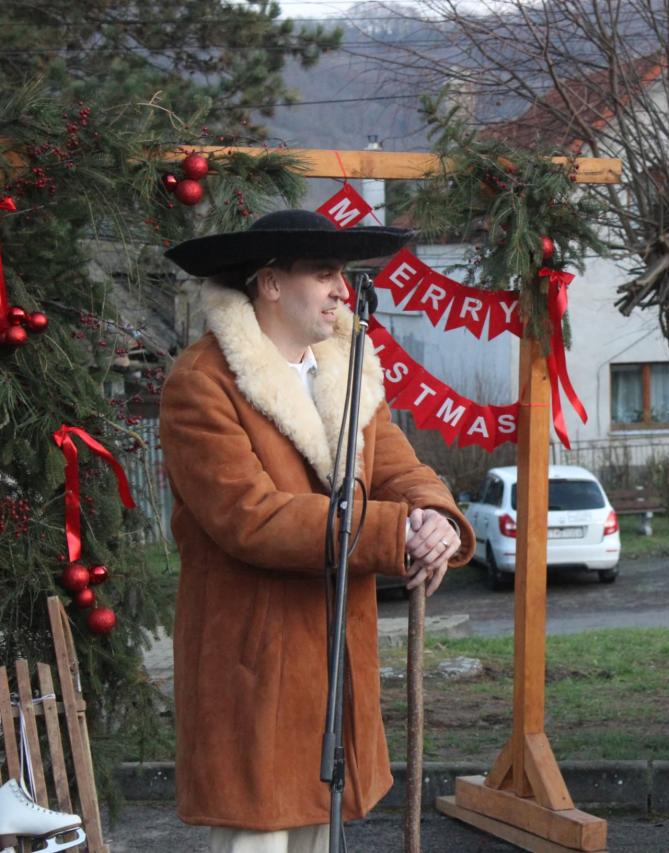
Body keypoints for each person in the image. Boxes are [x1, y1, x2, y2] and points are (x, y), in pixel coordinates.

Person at [159, 209, 476, 853]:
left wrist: (436, 519)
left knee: (320, 832)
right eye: (325, 273)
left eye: (344, 274)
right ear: (272, 283)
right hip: (252, 667)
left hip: (332, 666)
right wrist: (395, 532)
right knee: (258, 837)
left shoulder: (347, 371)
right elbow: (252, 518)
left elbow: (398, 469)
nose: (342, 289)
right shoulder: (202, 382)